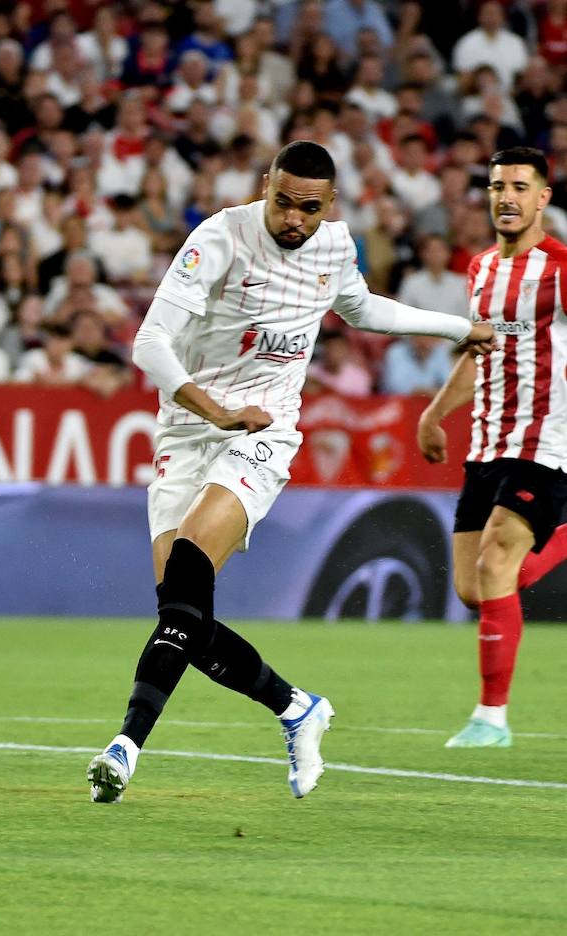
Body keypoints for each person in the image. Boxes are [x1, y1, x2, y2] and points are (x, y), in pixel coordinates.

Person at [87, 142, 496, 805]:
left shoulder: (333, 246)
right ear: (265, 186)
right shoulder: (221, 238)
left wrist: (457, 328)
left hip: (264, 433)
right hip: (189, 430)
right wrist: (213, 410)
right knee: (183, 618)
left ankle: (124, 747)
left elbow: (363, 309)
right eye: (283, 202)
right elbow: (149, 343)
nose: (294, 219)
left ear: (329, 204)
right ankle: (297, 707)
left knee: (188, 570)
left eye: (310, 208)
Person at [416, 148, 567, 749]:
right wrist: (434, 413)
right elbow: (480, 353)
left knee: (497, 560)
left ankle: (491, 719)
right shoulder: (479, 269)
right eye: (499, 186)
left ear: (542, 198)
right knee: (475, 589)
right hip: (486, 443)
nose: (507, 197)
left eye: (520, 187)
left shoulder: (559, 269)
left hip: (545, 442)